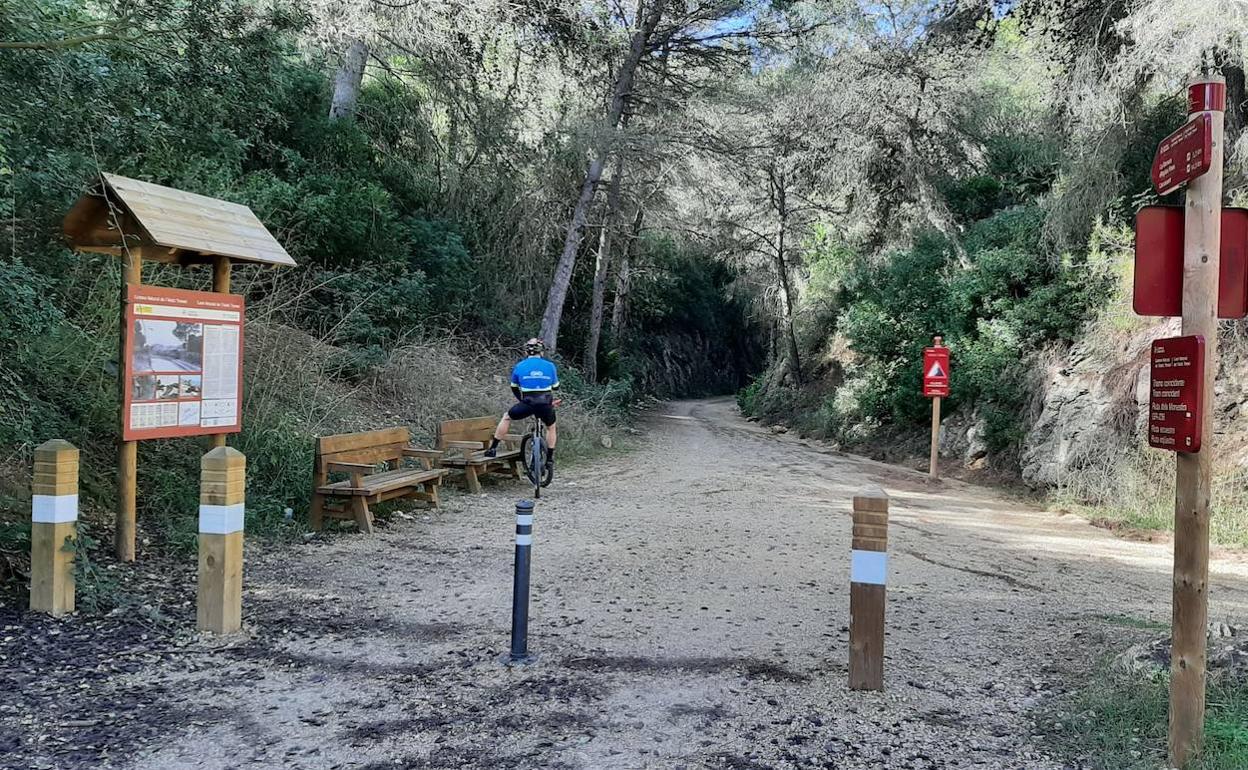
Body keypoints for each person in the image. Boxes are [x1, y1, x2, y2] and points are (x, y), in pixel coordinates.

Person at [485, 338, 560, 465]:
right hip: (546, 404)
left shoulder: (519, 366)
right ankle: (550, 458)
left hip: (528, 403)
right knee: (551, 427)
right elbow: (556, 387)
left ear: (526, 352)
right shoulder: (550, 366)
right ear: (541, 351)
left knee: (507, 417)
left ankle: (493, 448)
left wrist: (522, 400)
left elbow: (514, 387)